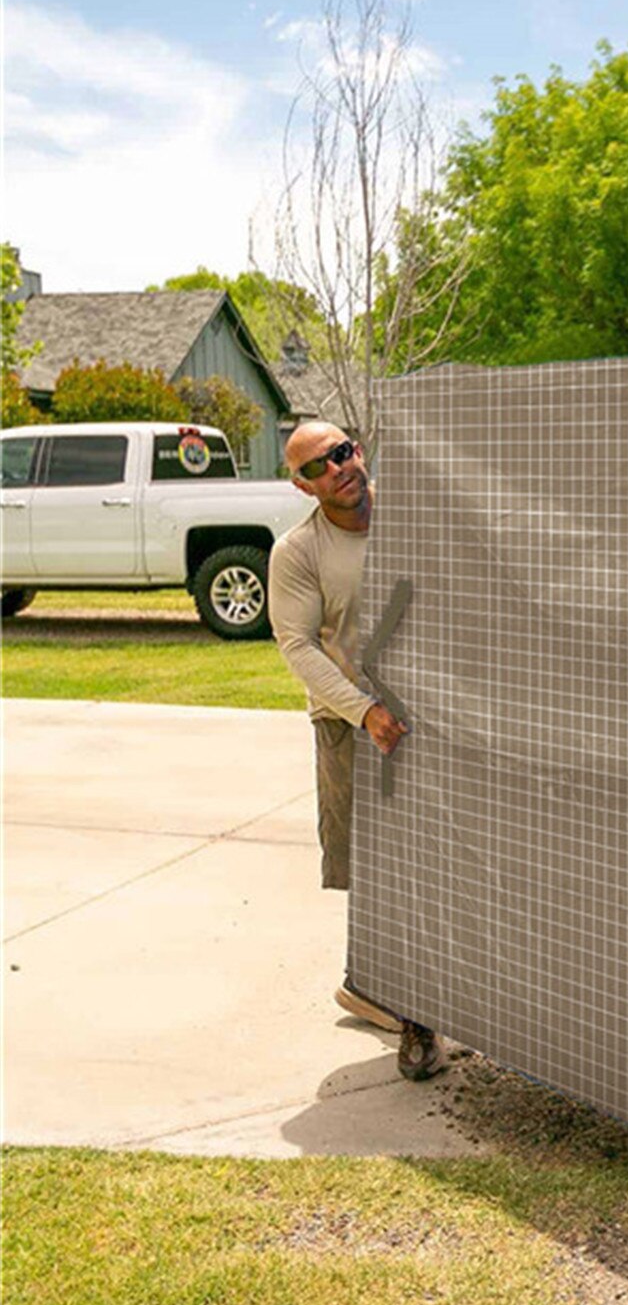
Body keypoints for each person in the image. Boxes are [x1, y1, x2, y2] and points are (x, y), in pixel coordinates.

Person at [270, 420, 407, 1031]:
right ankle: (371, 987)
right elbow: (298, 647)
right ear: (301, 486)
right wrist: (363, 710)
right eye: (317, 467)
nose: (338, 469)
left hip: (432, 717)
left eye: (343, 453)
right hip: (350, 723)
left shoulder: (414, 514)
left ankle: (416, 985)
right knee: (372, 864)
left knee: (440, 855)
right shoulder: (298, 552)